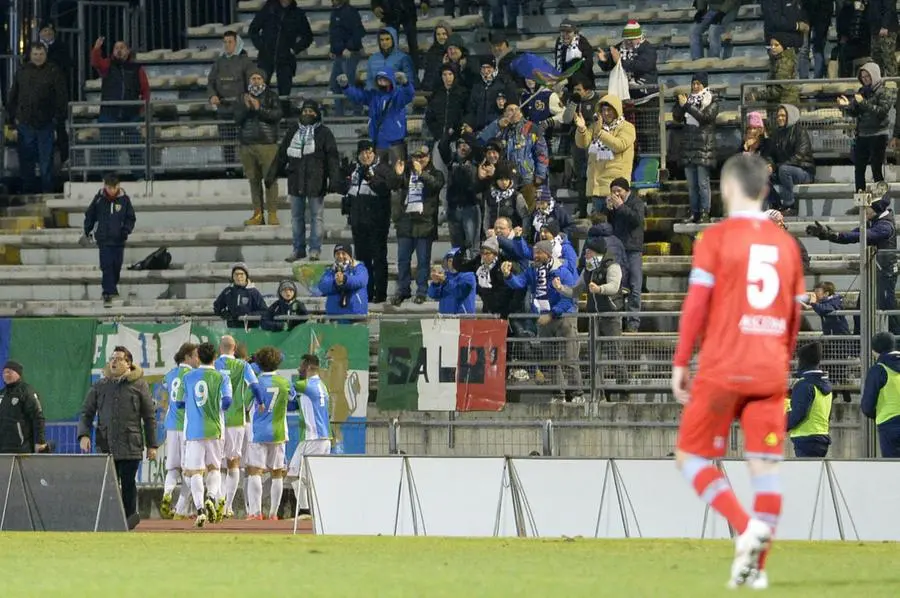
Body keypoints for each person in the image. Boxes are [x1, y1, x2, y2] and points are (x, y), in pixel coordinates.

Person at [671, 154, 805, 590]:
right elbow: (793, 317)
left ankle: (745, 526)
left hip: (723, 367)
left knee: (691, 457)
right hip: (769, 370)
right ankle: (757, 568)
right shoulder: (787, 246)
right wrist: (781, 364)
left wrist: (680, 361)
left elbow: (696, 305)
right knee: (765, 468)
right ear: (765, 191)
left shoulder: (714, 238)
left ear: (727, 188)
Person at [78, 347, 157, 530]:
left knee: (128, 483)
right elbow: (86, 412)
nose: (113, 362)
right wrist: (83, 434)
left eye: (119, 359)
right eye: (112, 358)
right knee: (108, 485)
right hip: (106, 443)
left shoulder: (139, 385)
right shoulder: (100, 385)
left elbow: (149, 416)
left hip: (131, 444)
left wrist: (152, 445)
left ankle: (128, 520)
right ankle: (108, 518)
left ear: (128, 363)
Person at [503, 239, 583, 403]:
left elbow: (569, 298)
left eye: (539, 252)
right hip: (544, 319)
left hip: (564, 318)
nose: (535, 256)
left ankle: (577, 394)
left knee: (570, 358)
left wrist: (552, 315)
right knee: (550, 360)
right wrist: (508, 275)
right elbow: (518, 283)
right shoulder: (532, 271)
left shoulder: (563, 272)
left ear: (547, 253)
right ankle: (558, 393)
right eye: (534, 253)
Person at [807, 192, 899, 334]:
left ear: (876, 209)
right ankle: (859, 346)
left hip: (885, 273)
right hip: (874, 272)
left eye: (867, 208)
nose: (863, 211)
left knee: (888, 307)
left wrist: (837, 235)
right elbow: (852, 236)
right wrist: (829, 235)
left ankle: (897, 344)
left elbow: (861, 235)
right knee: (861, 308)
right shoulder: (873, 221)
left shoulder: (885, 226)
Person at [266, 99, 341, 262]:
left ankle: (315, 249)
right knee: (296, 218)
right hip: (295, 180)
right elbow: (281, 155)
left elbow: (333, 158)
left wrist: (334, 180)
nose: (307, 114)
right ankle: (298, 249)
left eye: (311, 111)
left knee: (317, 217)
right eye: (305, 111)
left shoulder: (325, 133)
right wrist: (271, 174)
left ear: (317, 114)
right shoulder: (293, 131)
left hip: (317, 181)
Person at [555, 236, 629, 389]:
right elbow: (576, 290)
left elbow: (614, 287)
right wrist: (561, 288)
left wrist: (600, 289)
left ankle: (623, 387)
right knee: (594, 354)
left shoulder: (612, 266)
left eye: (589, 252)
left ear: (598, 253)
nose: (586, 255)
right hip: (593, 317)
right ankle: (597, 387)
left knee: (614, 352)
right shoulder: (588, 270)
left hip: (610, 316)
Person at [172, 342, 233, 528]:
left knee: (194, 472)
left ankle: (199, 510)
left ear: (198, 357)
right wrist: (216, 408)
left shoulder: (188, 376)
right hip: (215, 429)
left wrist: (193, 405)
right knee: (214, 469)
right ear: (215, 357)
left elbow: (179, 403)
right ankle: (211, 497)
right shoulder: (222, 377)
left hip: (193, 431)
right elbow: (228, 401)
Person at [215, 335, 264, 519]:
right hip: (236, 419)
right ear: (234, 348)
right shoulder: (243, 366)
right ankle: (227, 505)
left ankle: (217, 499)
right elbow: (255, 386)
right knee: (233, 462)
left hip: (216, 418)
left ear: (220, 348)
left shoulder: (214, 364)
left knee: (215, 464)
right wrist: (260, 402)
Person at [389, 147, 445, 306]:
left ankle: (421, 291)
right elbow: (393, 185)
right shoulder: (407, 171)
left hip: (425, 224)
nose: (419, 160)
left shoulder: (436, 173)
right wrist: (398, 174)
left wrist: (421, 173)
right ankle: (403, 290)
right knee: (403, 260)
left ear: (428, 157)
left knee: (423, 261)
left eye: (422, 156)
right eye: (415, 157)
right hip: (406, 222)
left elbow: (435, 186)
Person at [8, 43, 66, 193]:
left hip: (46, 123)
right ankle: (28, 191)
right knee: (26, 160)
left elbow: (61, 97)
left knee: (46, 161)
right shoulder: (22, 71)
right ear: (30, 55)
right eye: (35, 54)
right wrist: (13, 118)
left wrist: (57, 118)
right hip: (25, 122)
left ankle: (47, 191)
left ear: (46, 55)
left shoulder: (54, 71)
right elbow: (13, 95)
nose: (38, 57)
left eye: (41, 54)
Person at [90, 37, 151, 177]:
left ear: (128, 51)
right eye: (116, 48)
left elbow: (145, 90)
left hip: (131, 114)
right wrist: (97, 49)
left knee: (135, 148)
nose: (119, 50)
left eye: (122, 47)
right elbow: (96, 63)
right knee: (108, 149)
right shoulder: (108, 65)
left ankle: (139, 177)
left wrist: (142, 109)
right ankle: (109, 178)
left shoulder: (137, 69)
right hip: (109, 114)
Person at [245, 347, 293, 520]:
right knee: (277, 472)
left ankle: (256, 512)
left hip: (259, 432)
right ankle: (273, 513)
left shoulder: (255, 383)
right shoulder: (284, 382)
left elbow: (245, 404)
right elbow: (292, 397)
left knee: (255, 471)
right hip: (279, 432)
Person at [344, 139, 393, 303]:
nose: (367, 156)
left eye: (370, 152)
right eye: (364, 152)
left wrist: (371, 178)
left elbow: (385, 189)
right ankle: (366, 292)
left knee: (379, 259)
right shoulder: (354, 170)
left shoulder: (383, 168)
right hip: (358, 222)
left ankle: (380, 294)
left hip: (377, 223)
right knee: (362, 260)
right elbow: (344, 190)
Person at [574, 94, 636, 214]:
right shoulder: (596, 126)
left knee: (616, 225)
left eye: (609, 110)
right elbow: (582, 143)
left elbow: (619, 145)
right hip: (596, 187)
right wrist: (581, 129)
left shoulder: (627, 127)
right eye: (603, 110)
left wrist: (600, 133)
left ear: (617, 111)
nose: (606, 113)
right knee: (600, 226)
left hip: (615, 188)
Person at [287, 354, 332, 518]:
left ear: (309, 367)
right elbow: (297, 404)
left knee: (296, 474)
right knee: (304, 476)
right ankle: (309, 510)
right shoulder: (321, 385)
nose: (299, 369)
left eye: (301, 366)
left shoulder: (305, 385)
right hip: (321, 437)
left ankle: (308, 510)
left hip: (313, 438)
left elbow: (285, 386)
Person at [838, 63, 895, 193]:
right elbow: (855, 112)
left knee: (876, 169)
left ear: (874, 75)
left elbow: (882, 111)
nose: (865, 79)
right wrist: (846, 106)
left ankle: (880, 203)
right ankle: (861, 201)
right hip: (862, 134)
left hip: (878, 134)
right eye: (863, 77)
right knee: (859, 169)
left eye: (867, 76)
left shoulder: (883, 91)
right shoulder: (862, 92)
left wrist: (863, 102)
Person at [236, 68, 283, 226]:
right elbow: (236, 118)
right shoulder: (242, 98)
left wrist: (259, 108)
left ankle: (272, 214)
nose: (255, 81)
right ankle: (257, 214)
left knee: (270, 180)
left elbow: (277, 115)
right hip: (247, 144)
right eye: (253, 78)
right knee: (253, 181)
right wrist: (246, 107)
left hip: (267, 144)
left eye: (258, 78)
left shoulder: (271, 96)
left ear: (263, 81)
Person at [338, 67, 414, 165]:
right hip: (378, 141)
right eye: (379, 79)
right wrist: (346, 87)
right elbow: (357, 95)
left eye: (385, 79)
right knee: (378, 174)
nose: (382, 82)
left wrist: (406, 83)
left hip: (396, 142)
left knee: (398, 174)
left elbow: (409, 95)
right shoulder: (373, 96)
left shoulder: (397, 95)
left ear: (391, 80)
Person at [81, 173, 136, 307]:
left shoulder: (124, 200)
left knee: (116, 265)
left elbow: (131, 218)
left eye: (114, 187)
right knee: (107, 265)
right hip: (104, 239)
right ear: (105, 186)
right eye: (109, 187)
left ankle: (112, 288)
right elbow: (90, 215)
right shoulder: (99, 200)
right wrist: (87, 230)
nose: (112, 190)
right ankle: (108, 292)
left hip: (119, 240)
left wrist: (125, 230)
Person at [159, 343, 198, 520]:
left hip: (171, 425)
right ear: (187, 357)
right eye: (196, 356)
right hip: (187, 427)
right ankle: (181, 509)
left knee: (173, 468)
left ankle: (167, 494)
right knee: (190, 470)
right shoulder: (193, 375)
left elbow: (165, 392)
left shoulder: (169, 375)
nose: (198, 359)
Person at [674, 72, 719, 224]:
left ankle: (705, 212)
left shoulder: (712, 99)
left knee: (702, 183)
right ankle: (694, 212)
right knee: (692, 185)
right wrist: (679, 105)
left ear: (704, 85)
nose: (695, 86)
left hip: (703, 146)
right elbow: (677, 117)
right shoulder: (688, 99)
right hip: (688, 146)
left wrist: (686, 105)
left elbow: (705, 118)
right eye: (693, 83)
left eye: (698, 83)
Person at [248, 0, 313, 104]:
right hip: (266, 57)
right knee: (260, 92)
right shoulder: (268, 9)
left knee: (284, 94)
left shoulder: (298, 13)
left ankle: (284, 117)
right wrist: (262, 46)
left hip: (286, 59)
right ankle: (262, 116)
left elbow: (308, 37)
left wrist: (294, 49)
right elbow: (253, 30)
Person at [601, 178, 645, 333]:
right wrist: (609, 210)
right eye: (613, 191)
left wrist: (620, 206)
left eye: (619, 190)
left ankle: (633, 322)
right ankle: (617, 322)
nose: (616, 194)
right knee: (618, 286)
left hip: (633, 249)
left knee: (634, 286)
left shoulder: (636, 202)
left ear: (627, 190)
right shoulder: (615, 205)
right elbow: (608, 224)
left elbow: (636, 221)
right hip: (617, 249)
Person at [207, 30, 255, 170]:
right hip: (224, 109)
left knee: (244, 140)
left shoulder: (245, 61)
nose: (227, 45)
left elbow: (252, 82)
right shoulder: (219, 62)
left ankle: (247, 168)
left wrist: (247, 97)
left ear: (236, 43)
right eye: (225, 42)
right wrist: (212, 95)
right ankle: (230, 168)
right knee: (226, 141)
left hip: (241, 108)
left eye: (230, 42)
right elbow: (210, 82)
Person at [762, 104, 814, 215]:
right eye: (778, 116)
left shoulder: (800, 132)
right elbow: (770, 155)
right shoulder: (777, 134)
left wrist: (778, 167)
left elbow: (799, 156)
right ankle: (775, 205)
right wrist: (770, 165)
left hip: (803, 171)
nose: (780, 118)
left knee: (784, 170)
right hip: (782, 170)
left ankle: (790, 205)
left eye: (783, 116)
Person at [787, 342, 833, 458]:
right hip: (822, 437)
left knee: (806, 474)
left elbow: (798, 414)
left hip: (805, 438)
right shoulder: (826, 385)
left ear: (802, 361)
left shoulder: (804, 385)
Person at [861, 331, 900, 457]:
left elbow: (867, 407)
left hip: (889, 425)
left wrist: (878, 414)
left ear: (874, 351)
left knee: (892, 469)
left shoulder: (879, 369)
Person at [0, 361, 47, 454]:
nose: (6, 374)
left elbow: (38, 417)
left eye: (9, 372)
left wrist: (40, 441)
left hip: (22, 449)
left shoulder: (27, 392)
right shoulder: (2, 394)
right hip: (2, 449)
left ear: (18, 373)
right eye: (4, 372)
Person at [328, 0, 366, 116]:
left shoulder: (350, 12)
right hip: (339, 55)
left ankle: (357, 112)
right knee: (334, 84)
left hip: (350, 54)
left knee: (349, 84)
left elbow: (359, 31)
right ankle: (339, 114)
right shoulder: (334, 12)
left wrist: (349, 47)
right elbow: (334, 33)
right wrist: (333, 49)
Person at [318, 244, 370, 320]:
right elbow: (322, 285)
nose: (340, 256)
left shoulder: (359, 268)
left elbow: (360, 281)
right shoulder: (330, 270)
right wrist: (335, 283)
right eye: (337, 254)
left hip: (355, 316)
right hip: (334, 316)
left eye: (343, 253)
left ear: (350, 255)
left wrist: (345, 279)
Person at [213, 263, 268, 328]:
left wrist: (248, 315)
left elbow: (264, 311)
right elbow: (217, 307)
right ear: (233, 276)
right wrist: (224, 313)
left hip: (250, 330)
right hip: (233, 330)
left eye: (241, 274)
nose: (239, 277)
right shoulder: (228, 291)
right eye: (236, 274)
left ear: (246, 276)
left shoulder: (253, 292)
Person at [365, 27, 415, 91]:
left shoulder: (403, 58)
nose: (384, 42)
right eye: (381, 40)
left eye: (387, 39)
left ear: (394, 40)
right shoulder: (372, 58)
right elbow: (369, 80)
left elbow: (409, 81)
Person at [428, 248, 477, 314]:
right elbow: (432, 295)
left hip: (464, 319)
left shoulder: (469, 276)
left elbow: (459, 292)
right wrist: (435, 283)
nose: (452, 264)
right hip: (445, 318)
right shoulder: (445, 276)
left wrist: (445, 281)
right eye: (450, 261)